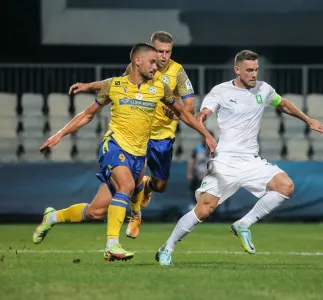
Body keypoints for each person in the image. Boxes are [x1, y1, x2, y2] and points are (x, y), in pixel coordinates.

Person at [32, 43, 216, 262]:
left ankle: (51, 217)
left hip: (139, 156)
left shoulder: (159, 88)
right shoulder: (115, 85)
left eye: (158, 64)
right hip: (114, 146)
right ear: (137, 61)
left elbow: (183, 114)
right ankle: (112, 245)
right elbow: (87, 114)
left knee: (95, 212)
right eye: (152, 62)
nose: (156, 67)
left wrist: (205, 133)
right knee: (127, 186)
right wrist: (58, 135)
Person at [155, 50, 323, 266]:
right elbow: (205, 112)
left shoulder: (263, 89)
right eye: (249, 70)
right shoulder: (221, 91)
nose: (254, 74)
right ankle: (167, 247)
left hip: (251, 160)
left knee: (285, 186)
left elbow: (283, 104)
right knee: (204, 209)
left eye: (256, 69)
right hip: (225, 160)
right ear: (237, 70)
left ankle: (243, 224)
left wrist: (308, 119)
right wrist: (202, 120)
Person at [69, 31, 195, 239]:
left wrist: (175, 112)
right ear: (152, 50)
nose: (163, 56)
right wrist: (90, 85)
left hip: (162, 136)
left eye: (168, 52)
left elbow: (188, 106)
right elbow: (118, 82)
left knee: (160, 186)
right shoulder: (142, 67)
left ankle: (146, 186)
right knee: (129, 182)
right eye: (160, 51)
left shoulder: (178, 72)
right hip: (136, 134)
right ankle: (134, 215)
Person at [187, 133, 214, 210]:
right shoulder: (198, 148)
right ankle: (197, 208)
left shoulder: (215, 148)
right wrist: (189, 173)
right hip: (198, 175)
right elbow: (192, 160)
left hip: (209, 177)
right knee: (196, 193)